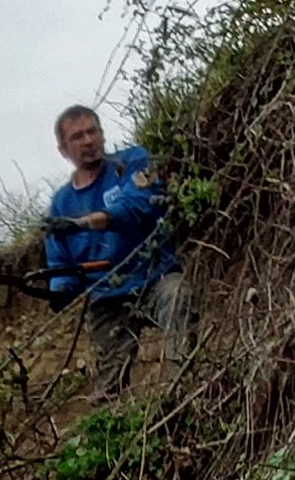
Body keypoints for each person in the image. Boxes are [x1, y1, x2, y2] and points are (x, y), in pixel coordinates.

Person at [44, 103, 190, 394]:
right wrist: (61, 288)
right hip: (108, 297)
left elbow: (136, 207)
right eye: (77, 136)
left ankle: (182, 388)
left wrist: (83, 223)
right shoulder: (61, 203)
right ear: (63, 150)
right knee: (108, 386)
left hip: (155, 277)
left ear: (102, 133)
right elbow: (60, 261)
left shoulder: (133, 161)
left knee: (178, 295)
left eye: (92, 131)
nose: (88, 140)